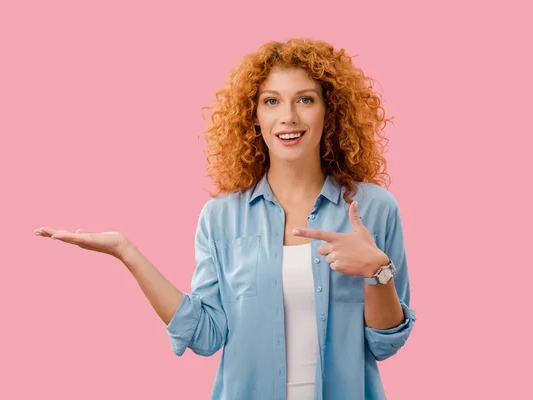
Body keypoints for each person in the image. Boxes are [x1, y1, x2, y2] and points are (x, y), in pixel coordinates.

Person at [34, 37, 416, 400]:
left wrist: (377, 271)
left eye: (305, 99)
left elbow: (385, 343)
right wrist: (126, 252)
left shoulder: (373, 209)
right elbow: (206, 333)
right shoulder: (221, 217)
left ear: (328, 110)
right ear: (253, 116)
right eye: (271, 101)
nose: (288, 116)